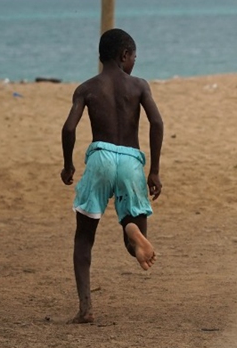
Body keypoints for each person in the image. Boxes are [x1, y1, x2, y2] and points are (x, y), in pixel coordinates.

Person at [60, 28, 164, 324]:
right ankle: (131, 229)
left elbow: (69, 128)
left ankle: (86, 308)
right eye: (133, 56)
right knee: (133, 243)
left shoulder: (87, 88)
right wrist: (154, 169)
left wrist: (68, 165)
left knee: (84, 237)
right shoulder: (139, 86)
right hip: (131, 160)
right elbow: (157, 122)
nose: (134, 62)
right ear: (124, 56)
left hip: (100, 158)